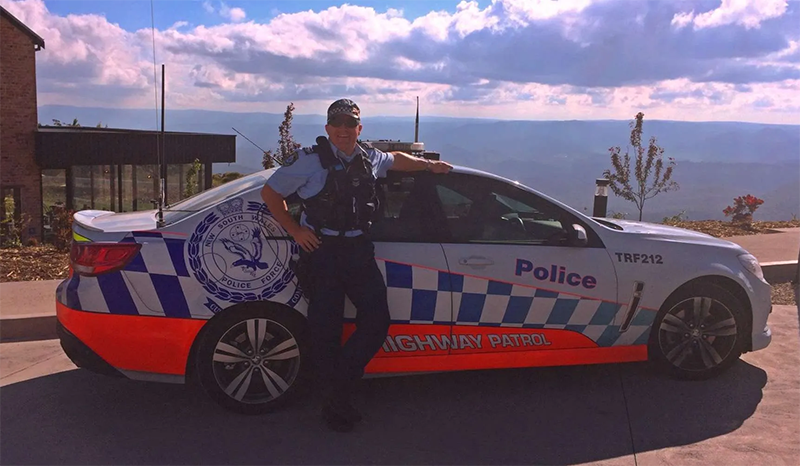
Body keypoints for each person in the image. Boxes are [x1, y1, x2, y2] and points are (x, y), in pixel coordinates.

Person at [260, 98, 452, 432]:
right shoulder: (308, 161)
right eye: (338, 124)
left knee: (377, 321)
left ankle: (339, 383)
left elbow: (397, 161)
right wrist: (295, 230)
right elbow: (270, 193)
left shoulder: (368, 157)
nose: (345, 130)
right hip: (323, 250)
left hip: (358, 249)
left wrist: (427, 165)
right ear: (328, 129)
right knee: (327, 329)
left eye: (351, 124)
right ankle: (337, 402)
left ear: (359, 128)